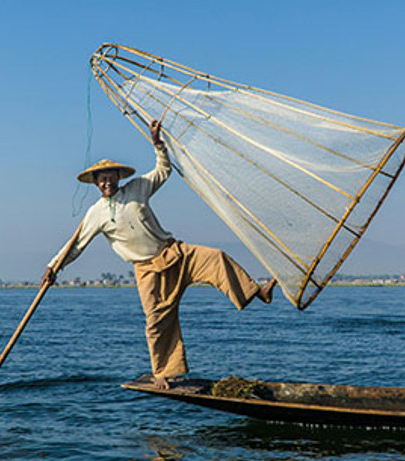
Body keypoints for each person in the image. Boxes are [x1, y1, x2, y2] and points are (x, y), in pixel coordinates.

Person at [43, 119, 276, 389]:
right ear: (95, 183)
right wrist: (53, 267)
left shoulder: (138, 188)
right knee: (156, 321)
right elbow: (76, 246)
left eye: (110, 177)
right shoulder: (95, 213)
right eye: (101, 178)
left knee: (216, 257)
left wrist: (158, 145)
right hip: (147, 270)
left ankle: (257, 291)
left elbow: (163, 170)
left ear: (119, 177)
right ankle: (162, 372)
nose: (107, 182)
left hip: (175, 253)